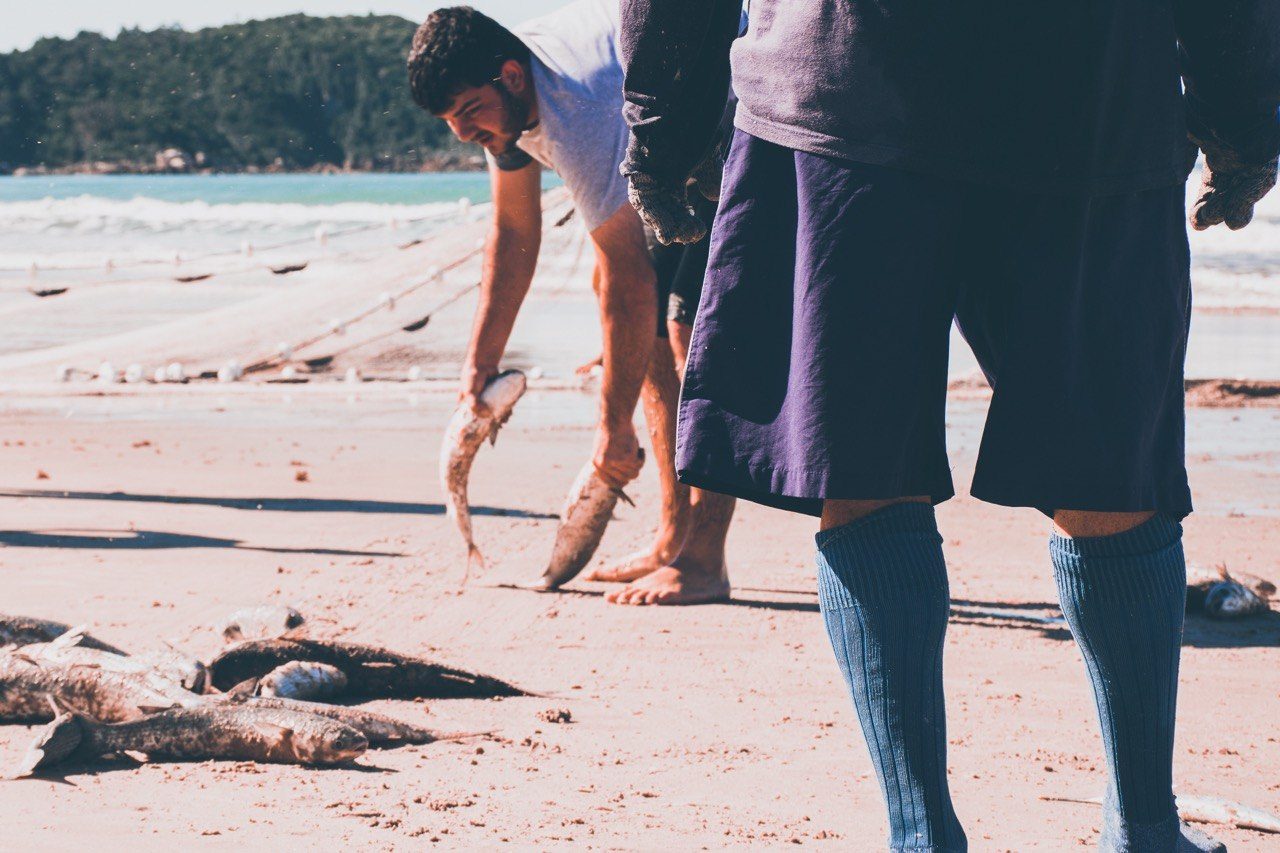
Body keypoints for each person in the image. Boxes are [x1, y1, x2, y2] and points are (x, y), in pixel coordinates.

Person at [621, 1, 1279, 850]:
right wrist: (1239, 112)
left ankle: (922, 834)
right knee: (1109, 466)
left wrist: (666, 123)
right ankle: (1146, 829)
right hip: (1088, 92)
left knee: (862, 464)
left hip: (845, 85)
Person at [407, 1, 736, 604]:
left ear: (509, 76)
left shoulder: (572, 110)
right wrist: (482, 359)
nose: (461, 133)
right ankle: (672, 536)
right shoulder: (504, 99)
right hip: (679, 136)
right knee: (643, 321)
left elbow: (628, 277)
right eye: (450, 121)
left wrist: (611, 436)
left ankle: (704, 559)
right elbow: (513, 231)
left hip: (747, 118)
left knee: (690, 327)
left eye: (469, 112)